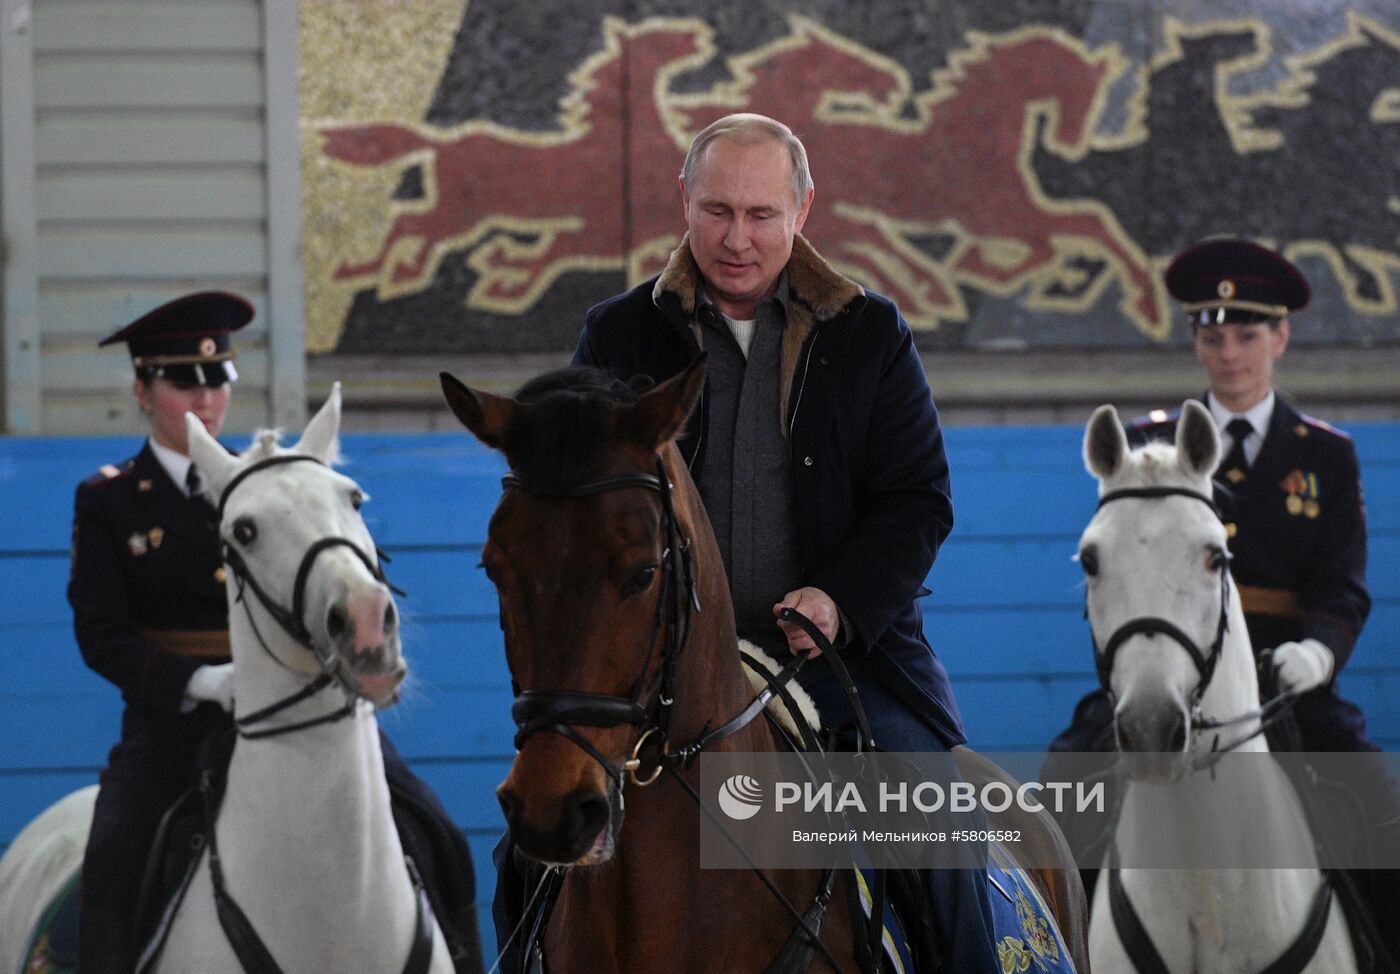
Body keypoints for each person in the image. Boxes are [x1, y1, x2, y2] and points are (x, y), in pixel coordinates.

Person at [493, 113, 999, 972]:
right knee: (525, 857)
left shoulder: (869, 332)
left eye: (762, 214)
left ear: (804, 209)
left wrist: (841, 600)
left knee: (938, 832)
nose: (737, 238)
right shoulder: (617, 336)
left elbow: (918, 501)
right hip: (654, 674)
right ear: (683, 202)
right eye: (717, 210)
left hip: (845, 668)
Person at [71, 293, 482, 974]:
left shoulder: (275, 487)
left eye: (216, 383)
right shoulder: (111, 498)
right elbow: (101, 633)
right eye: (182, 384)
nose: (204, 402)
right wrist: (201, 681)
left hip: (309, 705)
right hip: (174, 726)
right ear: (144, 390)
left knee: (440, 833)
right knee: (112, 855)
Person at [1045, 238, 1399, 960]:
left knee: (1374, 809)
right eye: (1213, 337)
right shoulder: (1150, 446)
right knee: (1060, 791)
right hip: (1161, 667)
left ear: (1280, 337)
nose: (1230, 353)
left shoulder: (1325, 453)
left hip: (1286, 680)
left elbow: (1343, 585)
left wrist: (1319, 653)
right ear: (1197, 342)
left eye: (1247, 335)